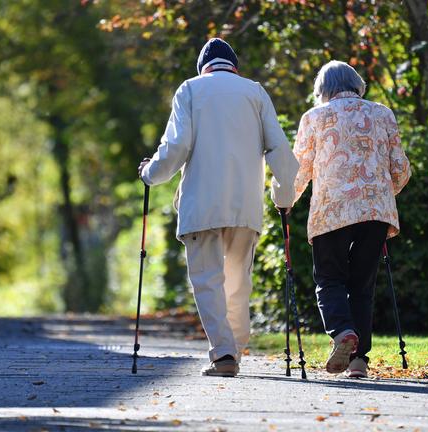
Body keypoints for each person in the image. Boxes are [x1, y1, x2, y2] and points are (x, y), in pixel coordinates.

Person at [138, 38, 299, 377]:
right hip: (245, 205)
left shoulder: (190, 90)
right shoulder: (255, 92)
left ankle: (224, 353)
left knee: (207, 281)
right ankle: (234, 348)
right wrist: (284, 196)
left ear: (203, 68)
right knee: (238, 282)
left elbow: (176, 145)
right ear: (234, 67)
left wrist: (150, 173)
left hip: (202, 204)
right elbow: (280, 150)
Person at [290, 60, 411, 378]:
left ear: (322, 90)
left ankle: (343, 331)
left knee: (329, 278)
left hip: (332, 210)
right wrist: (384, 194)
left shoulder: (314, 117)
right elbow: (400, 168)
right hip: (376, 211)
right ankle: (359, 361)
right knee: (362, 285)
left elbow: (300, 169)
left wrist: (286, 201)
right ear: (358, 85)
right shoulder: (382, 113)